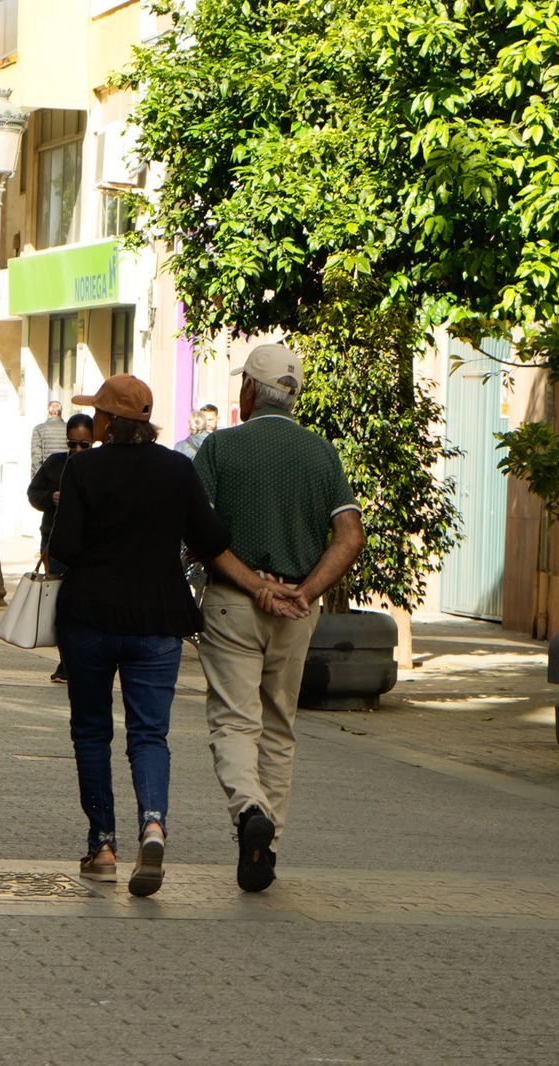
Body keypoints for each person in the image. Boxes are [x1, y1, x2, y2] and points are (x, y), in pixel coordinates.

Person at [51, 373, 307, 897]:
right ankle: (153, 824)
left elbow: (65, 549)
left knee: (92, 733)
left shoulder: (83, 468)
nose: (93, 420)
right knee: (149, 734)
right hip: (159, 622)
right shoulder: (176, 469)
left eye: (98, 413)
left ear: (108, 421)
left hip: (90, 622)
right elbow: (212, 538)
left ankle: (102, 845)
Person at [194, 343, 366, 893]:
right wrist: (303, 593)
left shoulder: (219, 449)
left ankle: (249, 812)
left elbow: (199, 534)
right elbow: (350, 535)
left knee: (233, 721)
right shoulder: (321, 454)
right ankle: (268, 847)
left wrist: (254, 585)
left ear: (248, 390)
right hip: (296, 610)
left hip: (231, 604)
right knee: (279, 726)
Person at [26, 412, 95, 683]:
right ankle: (66, 664)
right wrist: (50, 497)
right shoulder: (56, 464)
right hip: (55, 544)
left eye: (84, 445)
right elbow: (33, 494)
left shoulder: (99, 466)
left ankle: (81, 662)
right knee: (61, 604)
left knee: (83, 605)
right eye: (72, 444)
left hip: (89, 547)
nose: (77, 450)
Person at [29, 399, 68, 477]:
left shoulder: (39, 429)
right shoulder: (69, 428)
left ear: (48, 412)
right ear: (61, 412)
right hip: (65, 474)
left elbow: (36, 457)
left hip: (46, 475)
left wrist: (38, 479)